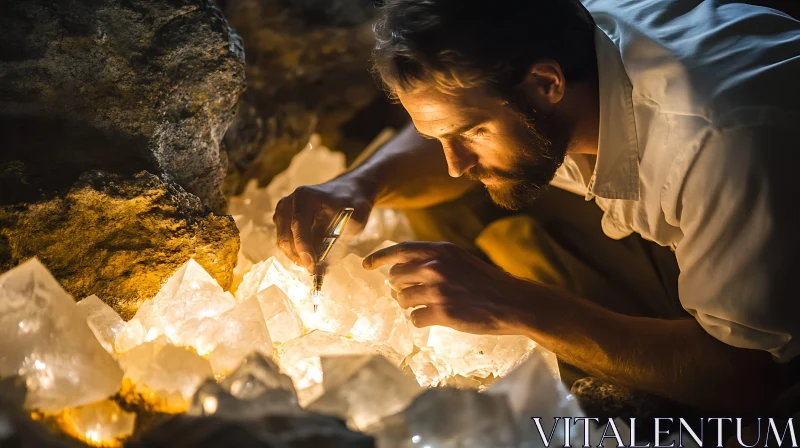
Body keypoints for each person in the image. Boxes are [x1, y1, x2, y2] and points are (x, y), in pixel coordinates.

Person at [273, 0, 800, 413]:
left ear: (547, 83)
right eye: (437, 136)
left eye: (471, 133)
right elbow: (456, 126)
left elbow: (750, 377)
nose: (454, 163)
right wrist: (360, 184)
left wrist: (513, 304)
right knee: (447, 209)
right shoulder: (565, 47)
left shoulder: (716, 141)